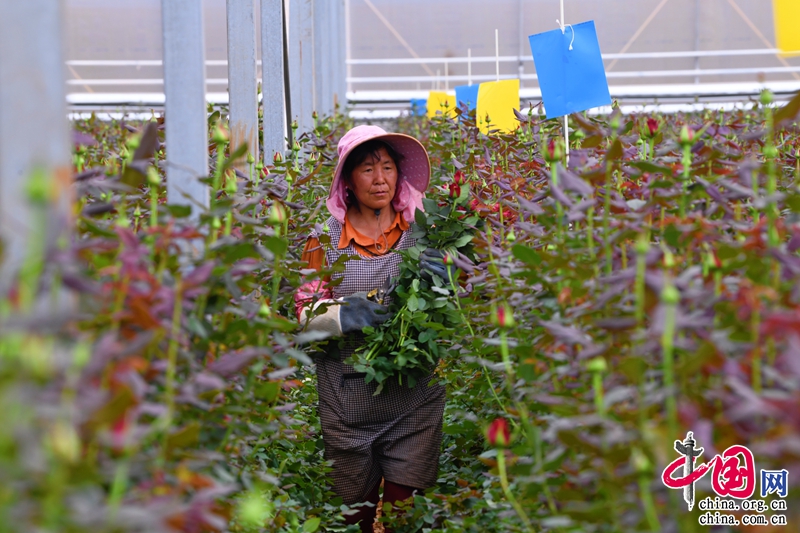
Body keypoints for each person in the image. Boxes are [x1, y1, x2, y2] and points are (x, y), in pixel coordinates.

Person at [294, 125, 446, 533]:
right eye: (367, 168)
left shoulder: (424, 232)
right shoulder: (323, 241)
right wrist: (343, 314)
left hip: (413, 397)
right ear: (347, 180)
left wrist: (446, 280)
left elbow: (456, 307)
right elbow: (304, 315)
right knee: (353, 516)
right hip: (348, 400)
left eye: (387, 167)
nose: (380, 179)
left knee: (402, 515)